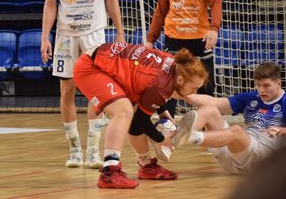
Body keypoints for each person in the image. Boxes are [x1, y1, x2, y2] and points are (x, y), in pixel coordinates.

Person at [41, 0, 125, 169]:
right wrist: (45, 37)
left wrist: (120, 32)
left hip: (95, 34)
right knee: (67, 90)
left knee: (95, 91)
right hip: (66, 35)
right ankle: (74, 148)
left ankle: (92, 149)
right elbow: (50, 3)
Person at [73, 42, 208, 188]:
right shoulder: (162, 84)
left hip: (106, 60)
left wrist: (162, 111)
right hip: (91, 67)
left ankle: (146, 166)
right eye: (194, 88)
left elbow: (149, 90)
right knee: (124, 111)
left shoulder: (174, 67)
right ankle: (109, 172)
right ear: (181, 80)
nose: (194, 93)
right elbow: (143, 119)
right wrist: (162, 139)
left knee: (134, 123)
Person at [145, 0, 222, 117]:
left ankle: (208, 124)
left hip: (199, 37)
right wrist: (150, 40)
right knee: (169, 83)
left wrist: (214, 28)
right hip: (174, 38)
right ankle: (168, 125)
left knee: (205, 84)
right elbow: (160, 11)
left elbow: (217, 2)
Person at [172, 62, 286, 175]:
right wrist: (180, 93)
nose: (261, 90)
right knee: (209, 109)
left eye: (266, 85)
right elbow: (215, 102)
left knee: (236, 131)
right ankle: (171, 141)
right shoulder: (251, 97)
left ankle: (191, 136)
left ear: (278, 84)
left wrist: (282, 130)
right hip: (236, 155)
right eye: (258, 85)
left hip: (261, 159)